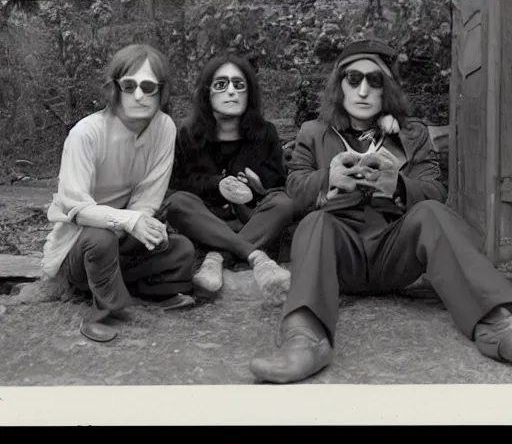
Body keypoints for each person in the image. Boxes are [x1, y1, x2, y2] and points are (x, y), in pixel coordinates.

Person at [249, 38, 512, 383]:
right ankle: (305, 339)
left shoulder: (413, 133)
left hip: (395, 252)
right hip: (341, 258)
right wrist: (329, 177)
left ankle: (496, 323)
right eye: (353, 79)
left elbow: (436, 191)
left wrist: (397, 185)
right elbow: (294, 190)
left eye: (375, 81)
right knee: (314, 222)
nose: (363, 90)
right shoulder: (313, 133)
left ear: (386, 89)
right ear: (339, 87)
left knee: (431, 211)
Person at [41, 44, 196, 343]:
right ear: (115, 88)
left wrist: (140, 224)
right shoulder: (86, 134)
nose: (139, 95)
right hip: (79, 243)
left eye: (149, 86)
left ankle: (130, 290)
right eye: (129, 85)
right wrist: (127, 221)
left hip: (124, 237)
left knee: (181, 250)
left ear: (161, 92)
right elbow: (77, 208)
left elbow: (149, 196)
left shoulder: (164, 127)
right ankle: (105, 311)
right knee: (100, 239)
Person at [163, 54, 297, 306]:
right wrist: (217, 184)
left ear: (249, 93)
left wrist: (257, 188)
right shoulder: (187, 134)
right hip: (207, 219)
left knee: (283, 203)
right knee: (176, 202)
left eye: (239, 84)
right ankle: (256, 257)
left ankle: (217, 257)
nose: (232, 92)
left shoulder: (265, 132)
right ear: (207, 93)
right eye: (221, 85)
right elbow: (178, 183)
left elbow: (278, 179)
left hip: (251, 216)